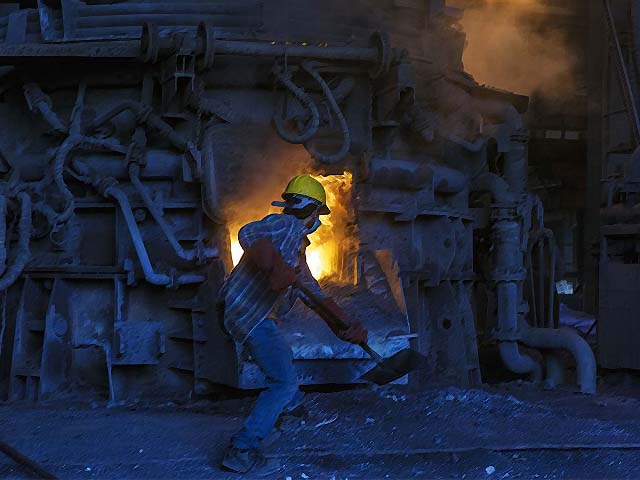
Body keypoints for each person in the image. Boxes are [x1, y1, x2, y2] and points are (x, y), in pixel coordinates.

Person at [218, 175, 368, 474]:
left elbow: (315, 296)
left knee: (281, 358)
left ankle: (291, 409)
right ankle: (242, 449)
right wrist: (274, 267)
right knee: (283, 381)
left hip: (251, 316)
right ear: (310, 211)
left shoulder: (297, 253)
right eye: (318, 215)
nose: (318, 222)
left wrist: (344, 325)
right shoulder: (284, 225)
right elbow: (249, 233)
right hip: (249, 314)